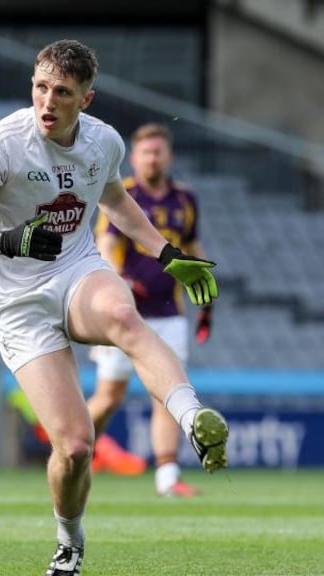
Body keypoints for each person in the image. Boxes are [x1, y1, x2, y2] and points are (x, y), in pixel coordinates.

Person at [0, 39, 229, 576]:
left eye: (63, 93)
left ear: (86, 100)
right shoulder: (0, 145)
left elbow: (118, 202)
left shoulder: (104, 143)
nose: (47, 102)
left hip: (75, 269)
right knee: (74, 447)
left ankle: (194, 419)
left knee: (125, 317)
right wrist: (11, 240)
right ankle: (69, 541)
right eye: (41, 88)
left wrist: (167, 254)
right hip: (14, 299)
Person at [87, 122, 213, 496]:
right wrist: (120, 279)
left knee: (167, 393)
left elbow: (192, 246)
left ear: (168, 156)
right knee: (109, 396)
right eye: (145, 152)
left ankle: (167, 478)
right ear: (135, 156)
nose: (152, 158)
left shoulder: (185, 200)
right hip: (125, 312)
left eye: (158, 151)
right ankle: (70, 450)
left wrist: (205, 295)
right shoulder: (121, 193)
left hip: (169, 312)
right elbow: (106, 244)